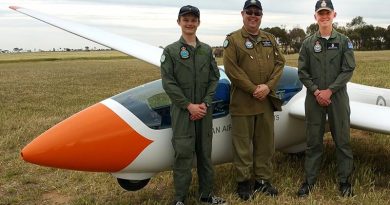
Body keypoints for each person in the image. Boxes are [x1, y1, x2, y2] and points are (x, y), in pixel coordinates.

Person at [160, 5, 226, 205]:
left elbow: (215, 78)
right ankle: (180, 199)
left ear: (198, 23)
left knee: (206, 154)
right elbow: (168, 83)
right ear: (179, 22)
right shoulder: (171, 51)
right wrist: (189, 106)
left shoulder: (206, 50)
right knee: (183, 154)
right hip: (183, 112)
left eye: (193, 20)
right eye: (185, 19)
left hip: (204, 111)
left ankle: (206, 195)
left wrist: (205, 103)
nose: (190, 23)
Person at [223, 0, 285, 200]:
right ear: (242, 14)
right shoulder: (233, 40)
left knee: (265, 144)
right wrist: (253, 89)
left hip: (266, 101)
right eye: (249, 12)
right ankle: (243, 183)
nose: (253, 16)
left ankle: (262, 181)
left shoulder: (269, 39)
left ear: (261, 16)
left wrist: (268, 87)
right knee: (242, 145)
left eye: (257, 12)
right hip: (243, 102)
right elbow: (232, 70)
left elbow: (279, 63)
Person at [297, 0, 356, 197]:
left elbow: (348, 69)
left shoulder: (344, 41)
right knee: (313, 141)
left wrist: (329, 91)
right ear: (315, 17)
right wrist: (316, 92)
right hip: (314, 98)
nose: (324, 16)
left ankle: (345, 181)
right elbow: (302, 72)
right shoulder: (307, 43)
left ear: (334, 15)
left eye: (327, 13)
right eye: (320, 13)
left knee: (342, 140)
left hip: (337, 98)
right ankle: (309, 181)